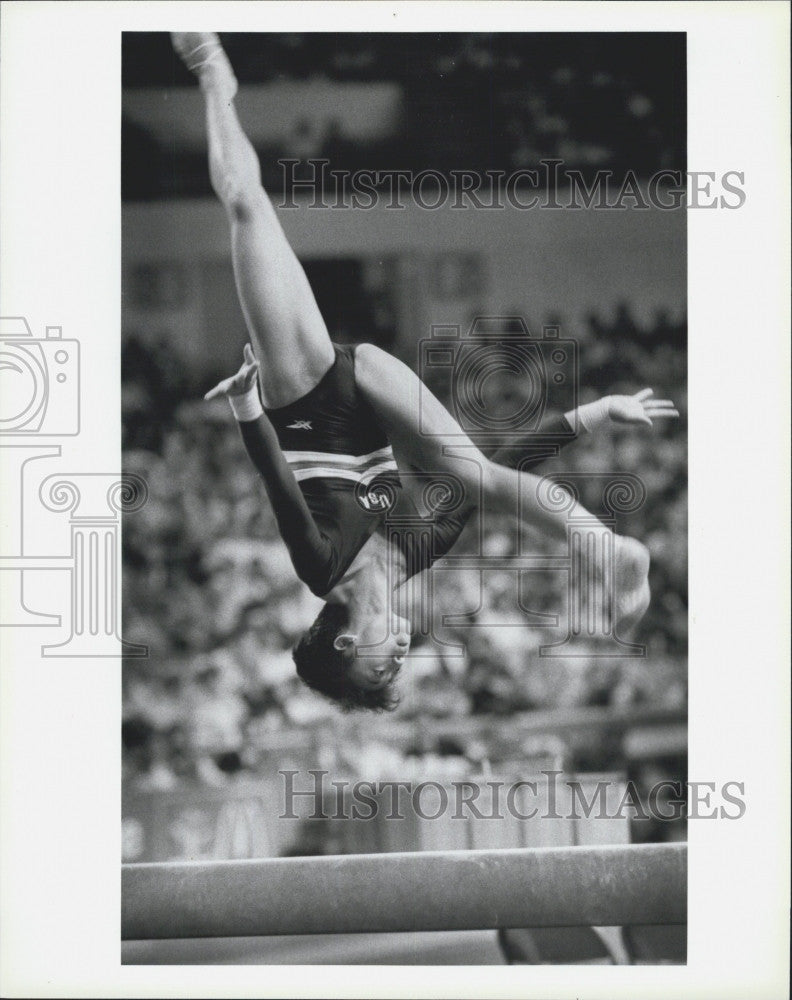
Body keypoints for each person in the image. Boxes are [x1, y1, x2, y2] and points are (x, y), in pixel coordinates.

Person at [173, 33, 679, 712]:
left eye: (380, 672)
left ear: (348, 645)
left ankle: (212, 74)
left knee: (244, 202)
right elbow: (503, 465)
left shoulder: (321, 570)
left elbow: (279, 489)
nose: (399, 663)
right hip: (370, 383)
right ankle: (605, 546)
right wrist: (593, 411)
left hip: (301, 389)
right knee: (478, 476)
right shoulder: (418, 553)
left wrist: (245, 405)